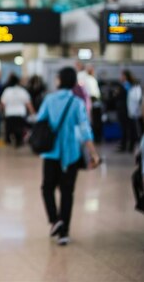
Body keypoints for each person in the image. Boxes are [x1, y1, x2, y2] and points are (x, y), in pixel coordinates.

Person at [37, 67, 100, 246]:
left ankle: (55, 220)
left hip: (51, 153)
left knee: (47, 188)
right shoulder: (77, 102)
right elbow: (85, 130)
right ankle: (64, 232)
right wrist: (93, 153)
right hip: (71, 153)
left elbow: (40, 120)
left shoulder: (49, 99)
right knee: (67, 192)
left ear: (59, 80)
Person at [0, 73, 35, 148]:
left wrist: (0, 111)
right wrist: (33, 114)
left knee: (9, 130)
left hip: (9, 114)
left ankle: (9, 141)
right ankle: (18, 141)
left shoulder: (7, 91)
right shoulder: (23, 91)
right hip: (20, 114)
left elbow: (2, 103)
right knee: (19, 130)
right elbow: (28, 104)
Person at [115, 70, 133, 152]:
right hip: (125, 110)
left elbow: (119, 96)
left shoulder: (126, 86)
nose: (120, 77)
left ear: (125, 76)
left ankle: (125, 146)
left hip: (125, 110)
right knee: (125, 128)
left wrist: (117, 93)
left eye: (122, 76)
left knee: (126, 128)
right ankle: (124, 145)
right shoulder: (126, 86)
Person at [127, 78, 143, 151]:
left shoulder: (136, 90)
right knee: (134, 132)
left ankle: (135, 146)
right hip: (134, 114)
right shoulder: (135, 90)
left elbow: (138, 101)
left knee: (136, 132)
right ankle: (132, 146)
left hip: (136, 114)